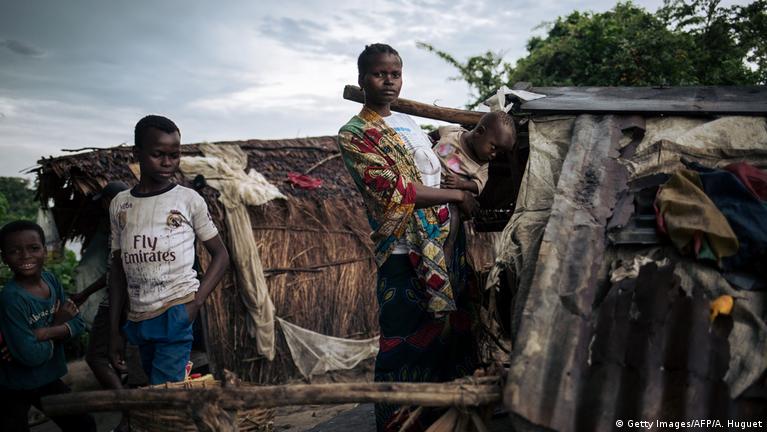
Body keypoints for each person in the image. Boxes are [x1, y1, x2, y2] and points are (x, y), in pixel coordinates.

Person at [338, 43, 479, 431]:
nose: (388, 81)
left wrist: (463, 187)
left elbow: (438, 173)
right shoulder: (355, 134)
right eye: (379, 74)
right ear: (362, 79)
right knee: (403, 343)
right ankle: (398, 424)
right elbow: (396, 191)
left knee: (451, 339)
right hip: (405, 252)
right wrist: (457, 197)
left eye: (395, 74)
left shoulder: (410, 124)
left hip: (446, 243)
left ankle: (448, 421)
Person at [108, 115, 230, 385]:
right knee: (152, 389)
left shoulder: (188, 200)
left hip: (176, 310)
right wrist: (114, 329)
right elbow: (117, 269)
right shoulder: (120, 204)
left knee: (165, 390)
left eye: (174, 155)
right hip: (137, 316)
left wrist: (195, 302)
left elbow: (221, 256)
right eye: (158, 154)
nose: (167, 162)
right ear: (137, 153)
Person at [0, 220, 96, 432]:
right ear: (4, 257)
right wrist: (58, 324)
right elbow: (31, 356)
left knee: (84, 425)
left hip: (45, 378)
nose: (25, 256)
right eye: (14, 251)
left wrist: (42, 333)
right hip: (14, 385)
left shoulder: (50, 280)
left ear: (44, 250)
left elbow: (78, 323)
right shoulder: (11, 298)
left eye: (33, 248)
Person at [69, 180, 132, 431]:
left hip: (116, 304)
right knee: (118, 357)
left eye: (104, 202)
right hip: (129, 303)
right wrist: (85, 293)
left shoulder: (120, 228)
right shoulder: (130, 224)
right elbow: (111, 272)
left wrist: (115, 313)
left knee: (96, 357)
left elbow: (118, 275)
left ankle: (128, 411)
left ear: (109, 202)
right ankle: (130, 410)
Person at [433, 112, 517, 261]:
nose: (495, 155)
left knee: (454, 215)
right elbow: (435, 133)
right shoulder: (453, 132)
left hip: (448, 195)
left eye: (500, 152)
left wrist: (461, 184)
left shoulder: (482, 166)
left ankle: (448, 247)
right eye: (494, 147)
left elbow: (479, 186)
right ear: (479, 132)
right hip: (427, 181)